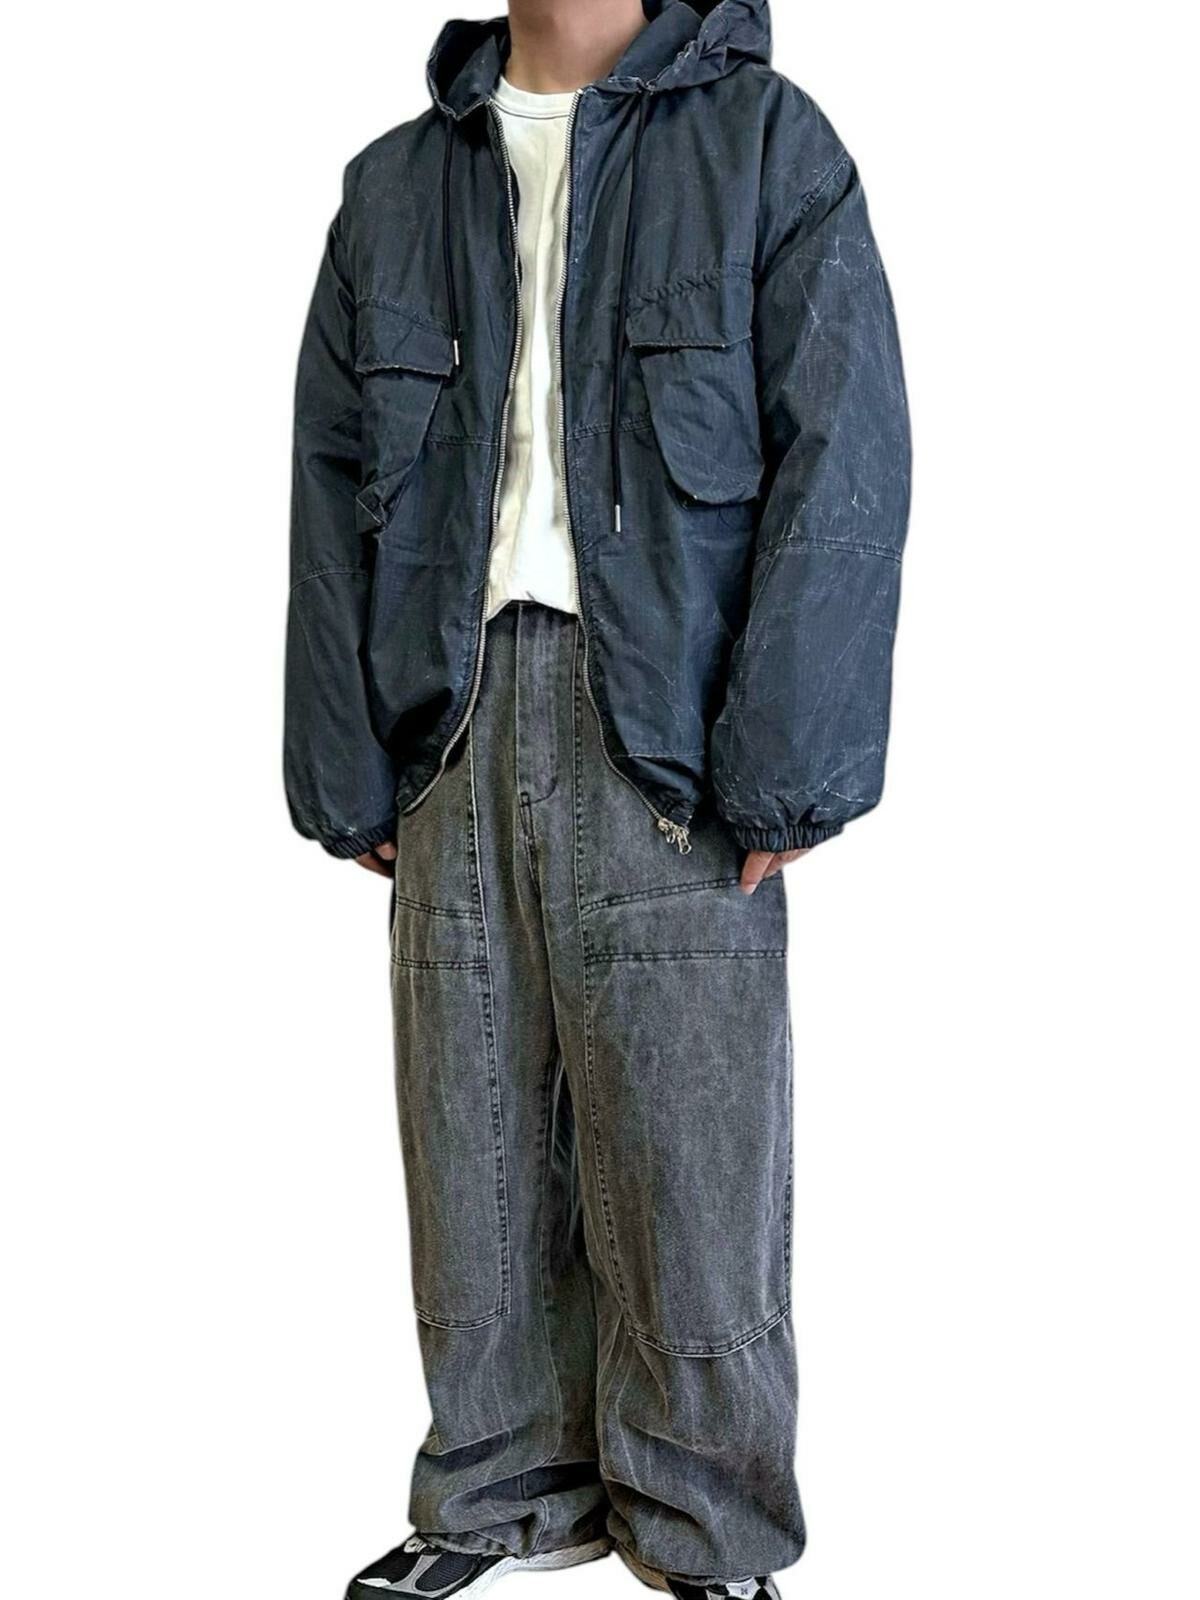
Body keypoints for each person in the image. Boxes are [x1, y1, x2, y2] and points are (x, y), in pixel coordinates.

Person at [285, 1, 910, 1595]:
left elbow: (844, 457)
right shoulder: (392, 189)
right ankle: (496, 1490)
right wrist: (342, 764)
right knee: (471, 1138)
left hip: (672, 733)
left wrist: (788, 760)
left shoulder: (767, 150)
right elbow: (328, 494)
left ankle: (706, 1526)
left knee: (690, 1157)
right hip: (449, 720)